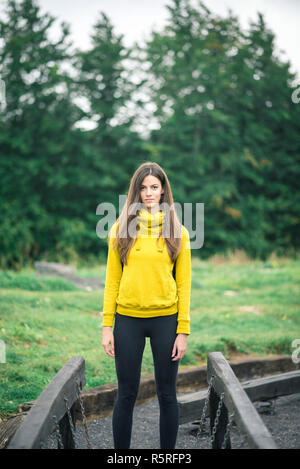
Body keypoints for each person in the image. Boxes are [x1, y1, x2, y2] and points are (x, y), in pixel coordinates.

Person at [101, 161, 191, 449]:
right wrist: (107, 326)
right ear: (135, 192)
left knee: (167, 394)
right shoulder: (119, 229)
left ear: (163, 189)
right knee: (126, 394)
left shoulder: (179, 232)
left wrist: (183, 331)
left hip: (166, 319)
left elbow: (184, 285)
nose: (149, 193)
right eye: (143, 188)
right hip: (127, 320)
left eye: (154, 187)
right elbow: (112, 281)